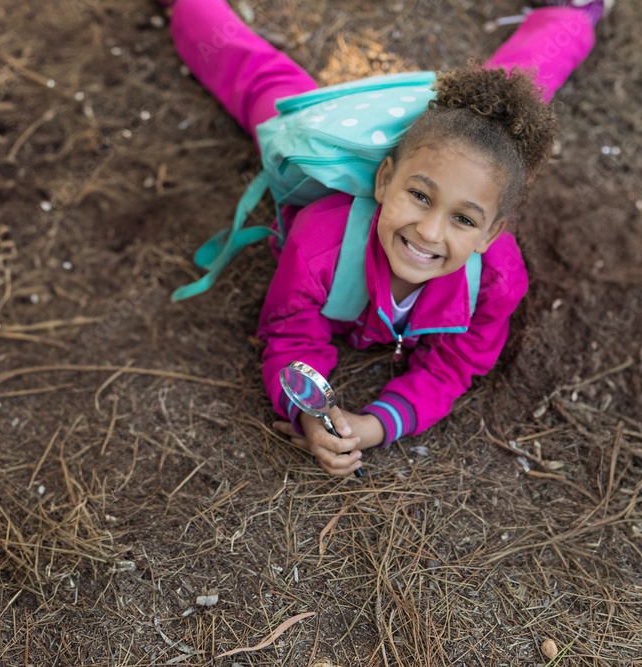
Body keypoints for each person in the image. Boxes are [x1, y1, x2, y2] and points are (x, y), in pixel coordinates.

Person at [166, 0, 606, 476]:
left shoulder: (496, 281)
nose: (429, 231)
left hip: (463, 140)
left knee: (512, 99)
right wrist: (309, 413)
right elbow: (289, 330)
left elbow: (452, 368)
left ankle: (569, 15)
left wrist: (373, 425)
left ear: (491, 234)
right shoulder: (320, 244)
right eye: (418, 195)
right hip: (340, 132)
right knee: (265, 88)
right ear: (384, 181)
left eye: (463, 220)